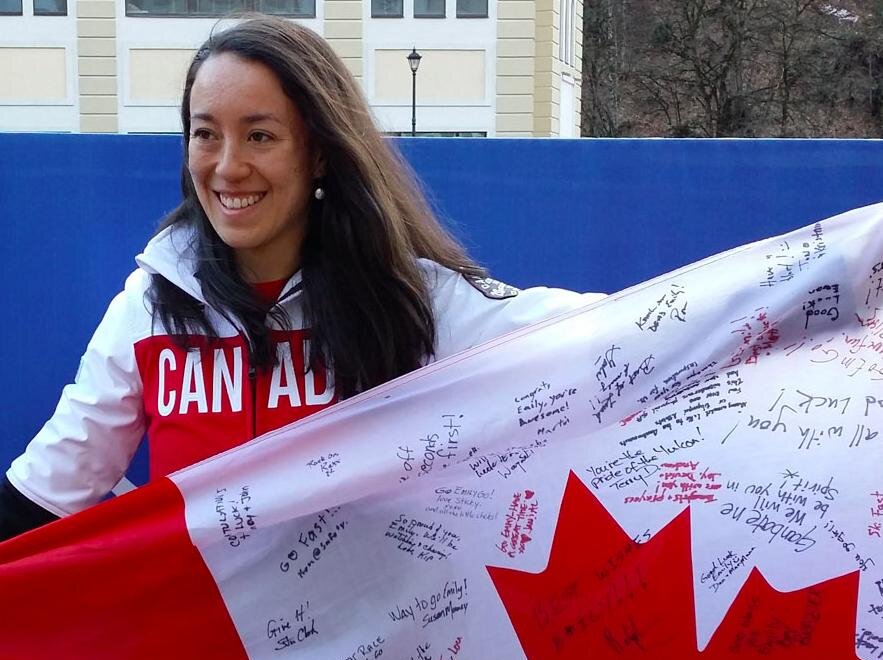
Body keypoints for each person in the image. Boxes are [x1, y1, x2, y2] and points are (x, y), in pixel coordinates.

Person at [0, 15, 601, 543]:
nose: (228, 166)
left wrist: (698, 315)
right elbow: (48, 492)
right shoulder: (150, 307)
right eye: (206, 133)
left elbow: (600, 334)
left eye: (260, 135)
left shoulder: (409, 299)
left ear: (318, 153)